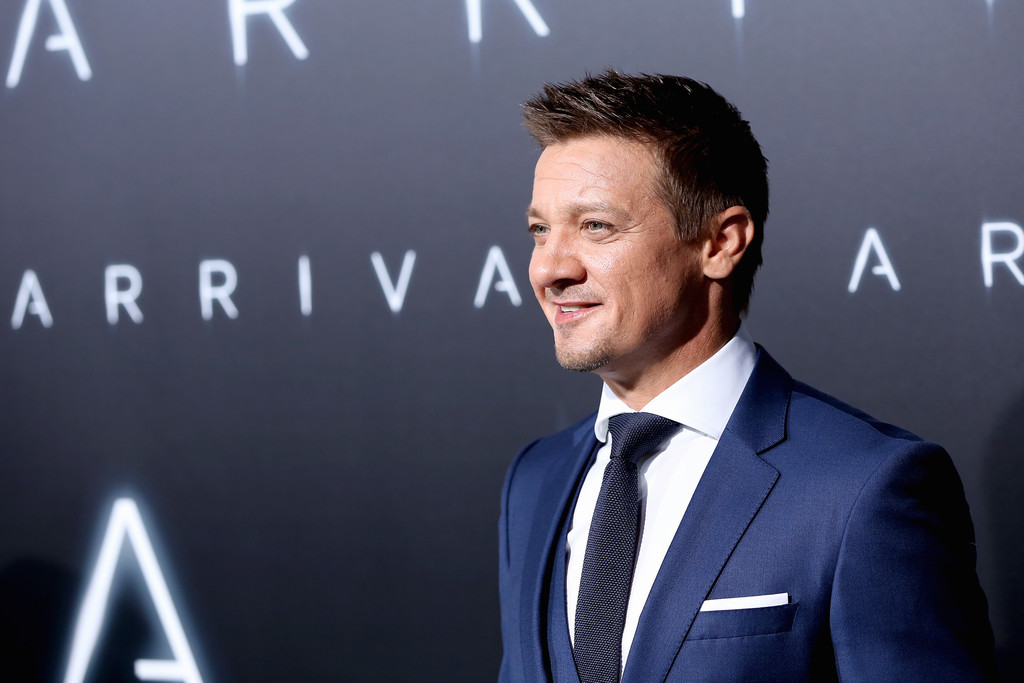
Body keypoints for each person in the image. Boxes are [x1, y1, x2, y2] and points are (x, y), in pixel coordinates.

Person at [497, 71, 995, 683]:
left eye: (595, 226)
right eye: (540, 230)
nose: (548, 269)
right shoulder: (535, 479)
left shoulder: (863, 486)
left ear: (720, 243)